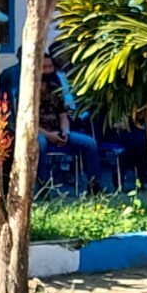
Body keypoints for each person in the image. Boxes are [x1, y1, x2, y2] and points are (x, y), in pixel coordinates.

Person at [37, 54, 102, 194]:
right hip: (39, 132)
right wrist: (48, 135)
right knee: (41, 144)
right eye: (44, 67)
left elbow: (63, 115)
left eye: (50, 67)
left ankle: (94, 185)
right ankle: (43, 187)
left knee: (90, 143)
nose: (48, 70)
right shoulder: (28, 92)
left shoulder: (56, 89)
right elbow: (27, 123)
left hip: (58, 131)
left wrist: (65, 132)